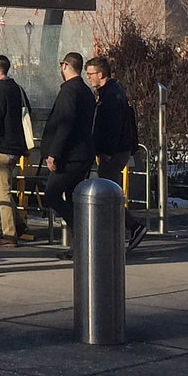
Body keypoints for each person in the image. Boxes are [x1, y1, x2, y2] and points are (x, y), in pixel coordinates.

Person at [84, 56, 144, 247]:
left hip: (113, 151)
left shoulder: (109, 95)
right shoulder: (115, 91)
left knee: (108, 192)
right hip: (120, 149)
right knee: (110, 190)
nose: (89, 78)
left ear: (100, 74)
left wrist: (106, 150)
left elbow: (112, 125)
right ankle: (118, 230)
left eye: (91, 74)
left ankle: (131, 226)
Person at [40, 52, 97, 236]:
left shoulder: (69, 91)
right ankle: (81, 242)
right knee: (73, 197)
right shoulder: (85, 91)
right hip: (82, 154)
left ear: (65, 66)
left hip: (69, 156)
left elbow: (65, 124)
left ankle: (81, 232)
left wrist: (53, 154)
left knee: (52, 195)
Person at [0, 53, 34, 246]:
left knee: (2, 190)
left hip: (5, 148)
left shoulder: (0, 92)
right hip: (17, 146)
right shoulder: (17, 89)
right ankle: (18, 224)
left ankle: (9, 235)